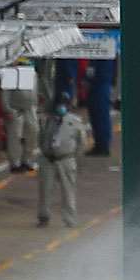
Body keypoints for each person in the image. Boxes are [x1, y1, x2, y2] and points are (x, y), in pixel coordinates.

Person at [38, 95, 91, 228]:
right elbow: (41, 138)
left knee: (68, 191)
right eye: (59, 105)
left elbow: (82, 143)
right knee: (45, 190)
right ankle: (43, 217)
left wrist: (75, 158)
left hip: (66, 159)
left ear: (68, 106)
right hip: (48, 160)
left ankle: (70, 219)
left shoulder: (75, 122)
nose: (61, 107)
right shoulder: (47, 121)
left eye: (63, 104)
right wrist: (45, 152)